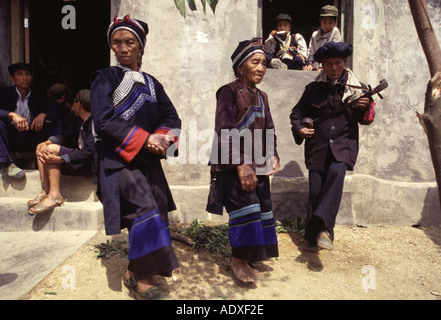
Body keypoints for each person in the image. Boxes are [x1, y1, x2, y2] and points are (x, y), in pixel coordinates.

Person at [90, 15, 181, 300]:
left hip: (148, 160)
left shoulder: (153, 83)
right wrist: (145, 138)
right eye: (116, 42)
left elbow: (171, 117)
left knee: (158, 209)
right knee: (144, 210)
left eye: (129, 42)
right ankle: (142, 280)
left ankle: (133, 269)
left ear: (141, 47)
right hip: (118, 160)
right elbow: (103, 121)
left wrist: (164, 139)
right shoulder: (104, 78)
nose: (123, 48)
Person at [290, 42, 375, 251]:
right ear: (323, 66)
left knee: (337, 173)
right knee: (316, 191)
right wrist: (300, 129)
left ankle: (325, 229)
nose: (334, 68)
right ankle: (312, 236)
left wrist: (365, 107)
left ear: (344, 63)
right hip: (317, 147)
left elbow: (366, 120)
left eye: (338, 63)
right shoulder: (313, 89)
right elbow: (297, 114)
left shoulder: (358, 89)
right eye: (329, 64)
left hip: (343, 146)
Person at [206, 39, 280, 283]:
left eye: (264, 63)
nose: (261, 68)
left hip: (256, 164)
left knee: (260, 208)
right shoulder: (228, 91)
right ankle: (238, 260)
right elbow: (224, 128)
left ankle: (250, 255)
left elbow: (269, 128)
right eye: (255, 62)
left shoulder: (263, 97)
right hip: (232, 165)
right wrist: (240, 164)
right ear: (240, 67)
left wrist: (273, 153)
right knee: (245, 210)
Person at [28, 89, 94, 215]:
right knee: (42, 147)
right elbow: (64, 135)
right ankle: (46, 192)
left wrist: (59, 159)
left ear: (78, 104)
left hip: (88, 165)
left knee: (52, 150)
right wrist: (48, 141)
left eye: (74, 103)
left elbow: (88, 153)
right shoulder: (78, 120)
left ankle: (55, 195)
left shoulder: (95, 124)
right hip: (76, 161)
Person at [0, 63, 62, 179]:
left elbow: (57, 109)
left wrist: (44, 115)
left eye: (27, 74)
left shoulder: (38, 96)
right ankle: (7, 164)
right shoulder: (4, 94)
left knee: (57, 122)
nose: (25, 78)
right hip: (10, 138)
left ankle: (52, 157)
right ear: (12, 78)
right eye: (20, 74)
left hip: (31, 137)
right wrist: (11, 114)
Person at [304, 5, 343, 71]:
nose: (327, 26)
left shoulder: (335, 32)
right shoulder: (315, 34)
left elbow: (333, 51)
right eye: (324, 22)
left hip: (331, 68)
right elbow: (311, 51)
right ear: (320, 21)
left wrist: (324, 66)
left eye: (330, 23)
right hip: (316, 67)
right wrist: (309, 64)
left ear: (335, 22)